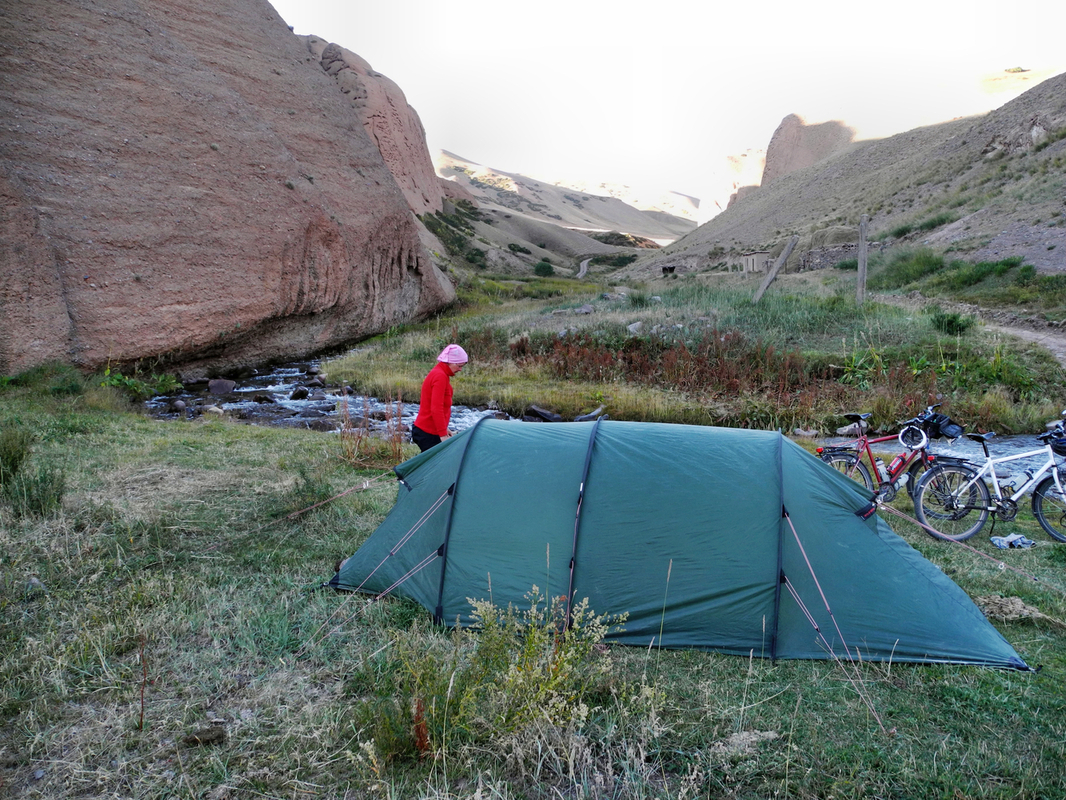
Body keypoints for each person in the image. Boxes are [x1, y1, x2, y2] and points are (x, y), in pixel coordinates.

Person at [411, 344, 468, 452]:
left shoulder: (441, 374)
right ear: (450, 361)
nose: (460, 369)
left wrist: (445, 429)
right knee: (433, 467)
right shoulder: (440, 376)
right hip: (428, 433)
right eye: (459, 366)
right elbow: (436, 408)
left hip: (430, 431)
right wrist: (443, 435)